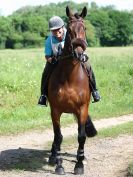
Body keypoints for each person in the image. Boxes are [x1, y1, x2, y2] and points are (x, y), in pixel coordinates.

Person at [38, 16, 100, 106]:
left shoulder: (70, 33)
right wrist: (51, 59)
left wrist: (82, 54)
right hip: (56, 61)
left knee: (88, 65)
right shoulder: (49, 40)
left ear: (63, 27)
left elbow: (80, 44)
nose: (56, 32)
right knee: (46, 71)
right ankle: (43, 95)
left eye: (58, 29)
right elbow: (47, 56)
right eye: (53, 30)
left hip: (75, 58)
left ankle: (94, 91)